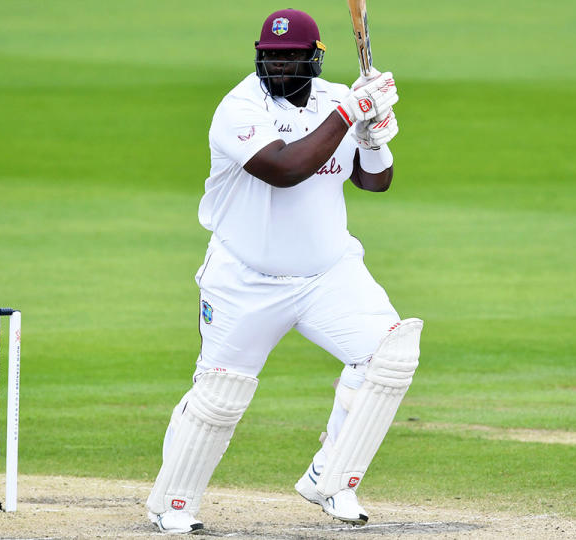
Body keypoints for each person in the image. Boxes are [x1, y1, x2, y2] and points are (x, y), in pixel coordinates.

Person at [146, 8, 423, 534]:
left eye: (291, 56)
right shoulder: (238, 108)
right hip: (245, 279)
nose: (279, 65)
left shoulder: (336, 98)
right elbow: (285, 170)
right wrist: (350, 114)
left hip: (329, 274)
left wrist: (373, 136)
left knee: (390, 352)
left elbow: (375, 183)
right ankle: (173, 502)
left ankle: (332, 479)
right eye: (271, 56)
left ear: (314, 58)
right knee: (219, 394)